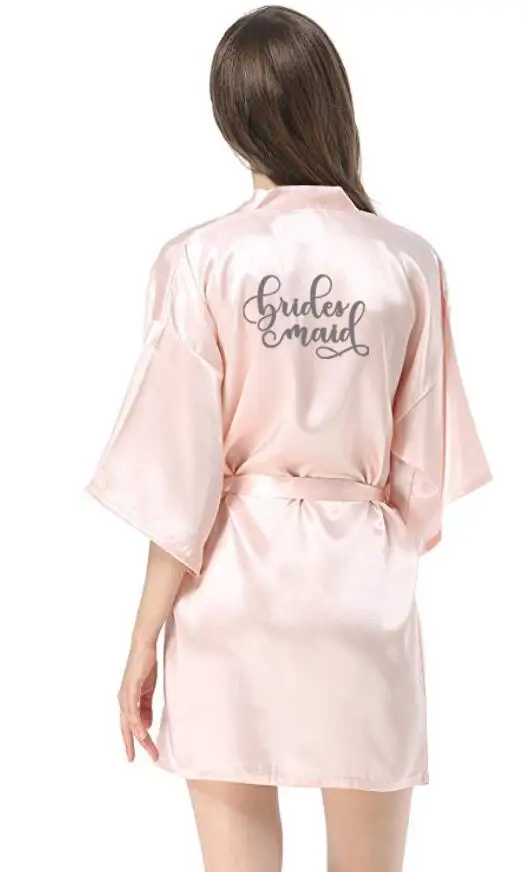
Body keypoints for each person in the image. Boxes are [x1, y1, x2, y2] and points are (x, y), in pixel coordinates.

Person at [86, 6, 492, 871]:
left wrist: (141, 641)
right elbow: (422, 477)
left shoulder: (199, 259)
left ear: (231, 119)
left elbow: (179, 480)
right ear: (333, 103)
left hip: (232, 597)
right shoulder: (408, 261)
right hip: (360, 592)